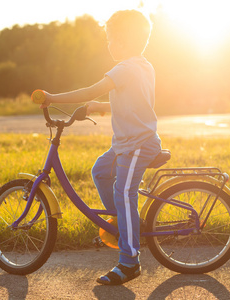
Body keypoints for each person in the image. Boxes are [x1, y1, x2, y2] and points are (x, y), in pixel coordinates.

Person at [37, 9, 161, 285]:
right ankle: (122, 226)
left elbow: (90, 89)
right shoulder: (143, 66)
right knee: (101, 170)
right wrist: (102, 107)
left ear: (124, 41)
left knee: (124, 191)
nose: (108, 44)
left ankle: (130, 262)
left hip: (138, 145)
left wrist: (53, 96)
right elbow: (134, 102)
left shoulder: (124, 68)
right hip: (126, 144)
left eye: (111, 39)